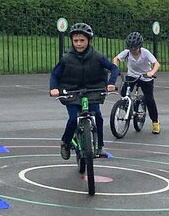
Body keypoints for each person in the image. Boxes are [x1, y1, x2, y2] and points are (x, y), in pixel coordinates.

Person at [50, 23, 119, 160]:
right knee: (73, 119)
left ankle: (100, 146)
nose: (79, 44)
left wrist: (111, 83)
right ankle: (66, 142)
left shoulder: (97, 56)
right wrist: (54, 88)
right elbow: (55, 75)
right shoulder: (67, 58)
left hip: (93, 90)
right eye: (76, 41)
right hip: (72, 91)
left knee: (98, 116)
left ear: (89, 41)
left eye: (82, 40)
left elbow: (114, 68)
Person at [113, 32, 161, 134]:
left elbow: (156, 64)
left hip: (145, 77)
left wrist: (151, 72)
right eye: (130, 48)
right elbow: (116, 59)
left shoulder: (145, 53)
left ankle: (155, 122)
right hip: (132, 75)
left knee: (149, 99)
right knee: (123, 92)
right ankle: (129, 108)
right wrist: (115, 68)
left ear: (139, 46)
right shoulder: (126, 53)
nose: (132, 51)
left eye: (134, 48)